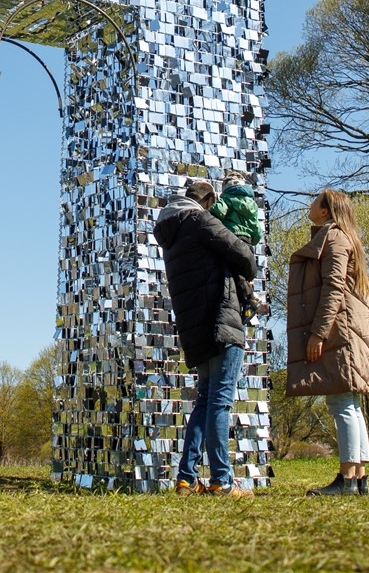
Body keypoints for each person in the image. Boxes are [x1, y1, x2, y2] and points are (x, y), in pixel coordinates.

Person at [154, 177, 258, 497]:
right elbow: (245, 257)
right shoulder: (200, 220)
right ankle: (222, 481)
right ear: (210, 201)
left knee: (204, 402)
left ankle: (186, 478)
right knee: (220, 403)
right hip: (220, 320)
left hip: (195, 327)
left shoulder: (172, 232)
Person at [285, 188, 369, 496]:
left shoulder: (334, 239)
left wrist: (318, 333)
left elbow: (333, 288)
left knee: (341, 403)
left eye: (314, 201)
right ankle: (359, 476)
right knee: (349, 403)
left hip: (339, 332)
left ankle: (347, 478)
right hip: (347, 331)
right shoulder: (343, 238)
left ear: (325, 211)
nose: (309, 205)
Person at [211, 170, 268, 324]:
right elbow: (257, 229)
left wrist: (208, 214)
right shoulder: (252, 204)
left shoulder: (228, 198)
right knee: (244, 271)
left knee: (234, 272)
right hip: (248, 242)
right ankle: (247, 300)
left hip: (233, 238)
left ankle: (248, 300)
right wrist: (253, 239)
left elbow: (217, 212)